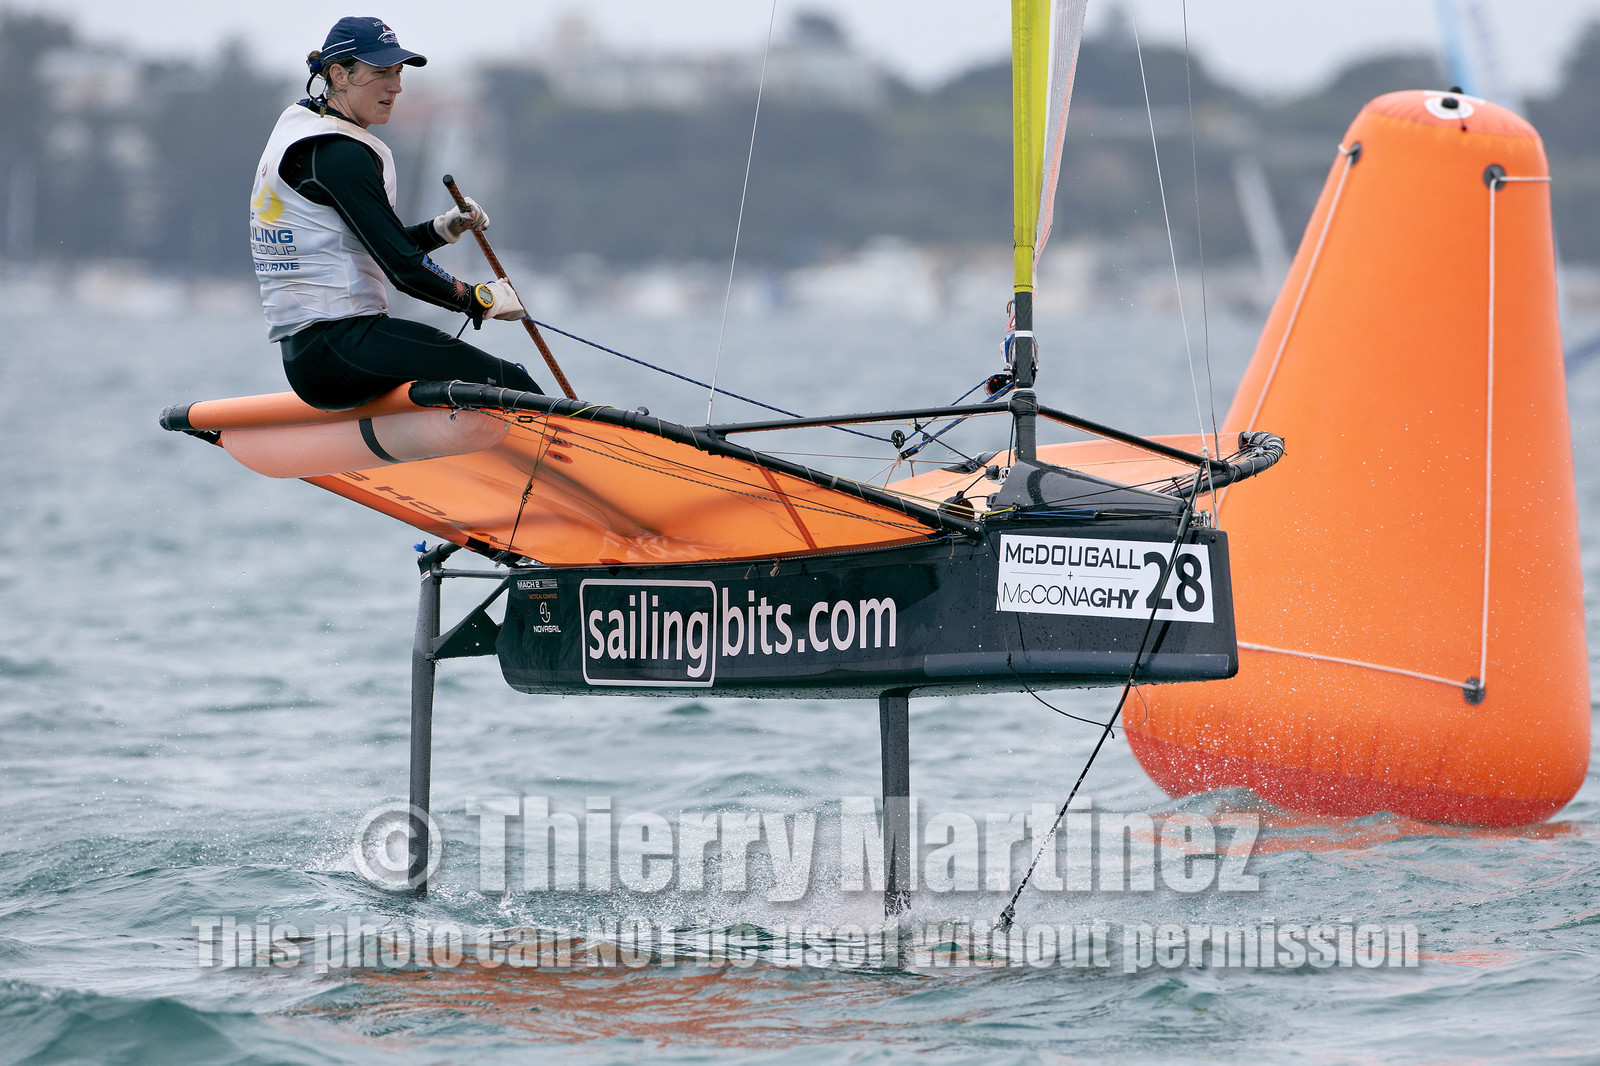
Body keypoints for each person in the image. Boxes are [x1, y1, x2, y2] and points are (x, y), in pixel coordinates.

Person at [249, 16, 542, 410]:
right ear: (339, 74)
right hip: (342, 348)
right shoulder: (339, 153)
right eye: (381, 72)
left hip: (311, 357)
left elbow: (371, 244)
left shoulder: (302, 130)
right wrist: (480, 299)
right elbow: (403, 269)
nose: (396, 85)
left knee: (472, 374)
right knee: (513, 383)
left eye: (399, 72)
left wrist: (442, 228)